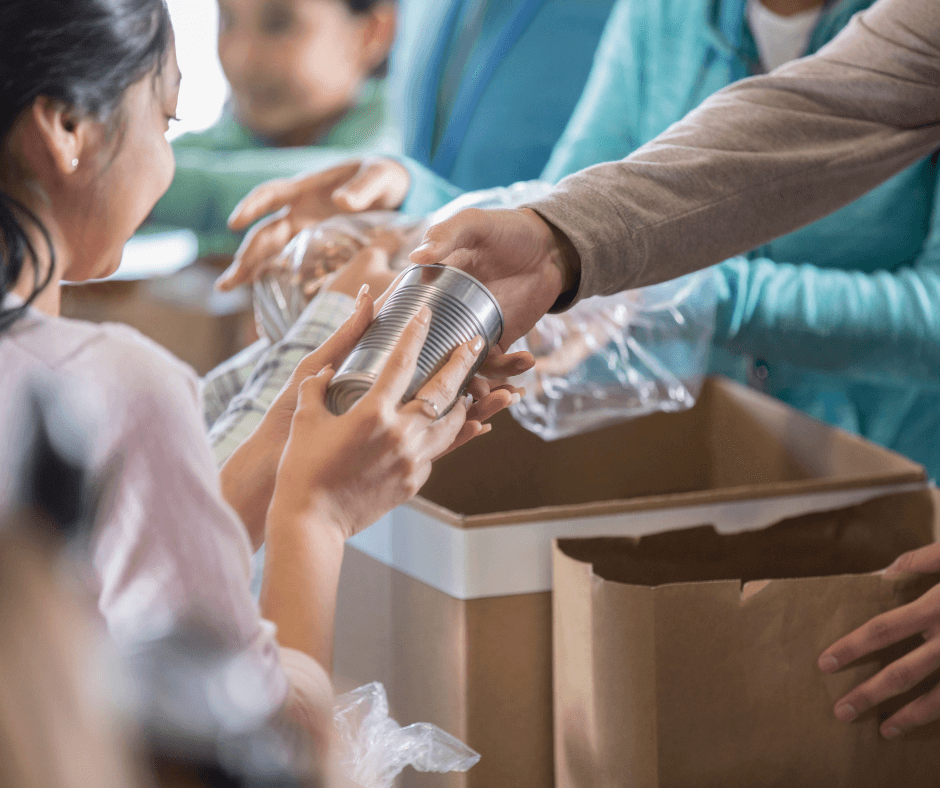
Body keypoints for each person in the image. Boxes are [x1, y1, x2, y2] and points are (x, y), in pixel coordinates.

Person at [406, 0, 940, 740]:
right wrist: (558, 241)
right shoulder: (663, 14)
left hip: (897, 479)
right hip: (739, 494)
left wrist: (694, 289)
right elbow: (816, 114)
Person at [0, 0, 515, 763]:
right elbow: (263, 751)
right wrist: (318, 513)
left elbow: (134, 563)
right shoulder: (109, 387)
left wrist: (293, 424)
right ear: (67, 130)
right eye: (168, 120)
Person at [146, 0, 399, 256]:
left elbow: (335, 180)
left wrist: (130, 179)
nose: (240, 58)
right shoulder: (224, 140)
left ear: (371, 34)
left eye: (279, 24)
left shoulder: (406, 143)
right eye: (227, 21)